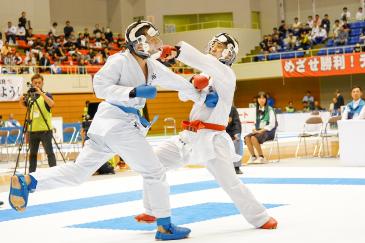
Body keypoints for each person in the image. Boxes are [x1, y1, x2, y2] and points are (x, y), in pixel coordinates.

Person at [9, 20, 197, 241]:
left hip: (110, 127)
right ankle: (164, 226)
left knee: (78, 173)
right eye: (152, 38)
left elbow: (178, 82)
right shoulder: (119, 60)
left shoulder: (153, 67)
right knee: (154, 171)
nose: (157, 42)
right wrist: (133, 91)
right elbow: (99, 86)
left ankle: (29, 181)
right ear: (140, 43)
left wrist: (199, 90)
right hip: (117, 123)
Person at [135, 33, 278, 230]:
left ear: (229, 53)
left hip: (212, 139)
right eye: (213, 45)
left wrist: (178, 51)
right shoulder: (209, 75)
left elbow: (205, 62)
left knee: (231, 182)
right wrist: (195, 84)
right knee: (152, 163)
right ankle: (152, 211)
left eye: (219, 46)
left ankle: (260, 217)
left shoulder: (226, 74)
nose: (214, 48)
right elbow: (183, 95)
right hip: (188, 136)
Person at [18, 74, 57, 173]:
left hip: (45, 130)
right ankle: (31, 174)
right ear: (32, 83)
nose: (37, 84)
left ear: (42, 83)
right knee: (33, 154)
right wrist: (21, 99)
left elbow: (52, 104)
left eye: (39, 83)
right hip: (32, 131)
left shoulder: (47, 94)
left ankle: (54, 172)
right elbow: (24, 107)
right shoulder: (30, 97)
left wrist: (41, 93)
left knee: (49, 153)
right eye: (35, 83)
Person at [245, 92, 277, 163]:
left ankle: (261, 157)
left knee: (253, 138)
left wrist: (261, 130)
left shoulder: (270, 109)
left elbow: (272, 124)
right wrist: (254, 129)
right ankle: (253, 156)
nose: (261, 100)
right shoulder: (255, 110)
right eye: (259, 98)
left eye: (263, 98)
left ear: (266, 99)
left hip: (268, 131)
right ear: (257, 99)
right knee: (247, 138)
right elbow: (253, 122)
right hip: (258, 131)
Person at [226, 106, 244, 174]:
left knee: (238, 141)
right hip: (218, 132)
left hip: (231, 132)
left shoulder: (232, 109)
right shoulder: (214, 108)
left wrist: (236, 133)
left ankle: (236, 167)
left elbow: (236, 123)